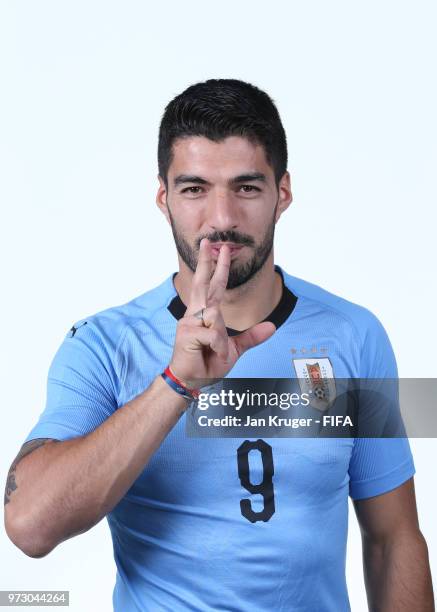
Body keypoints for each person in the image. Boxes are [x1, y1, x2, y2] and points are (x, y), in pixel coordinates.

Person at [4, 79, 434, 611]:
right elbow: (30, 527)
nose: (223, 219)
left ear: (283, 193)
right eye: (195, 189)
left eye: (247, 188)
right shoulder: (102, 345)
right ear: (163, 198)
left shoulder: (353, 335)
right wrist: (176, 385)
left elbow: (393, 539)